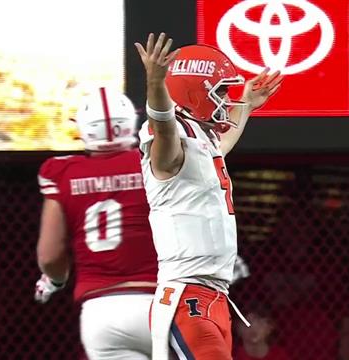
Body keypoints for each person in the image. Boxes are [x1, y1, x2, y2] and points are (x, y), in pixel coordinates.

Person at [134, 33, 283, 360]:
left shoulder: (201, 140)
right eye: (219, 92)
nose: (224, 100)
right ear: (192, 93)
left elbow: (220, 146)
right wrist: (156, 86)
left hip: (214, 296)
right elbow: (163, 127)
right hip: (187, 297)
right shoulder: (167, 146)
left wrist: (246, 104)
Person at [34, 88, 158, 359]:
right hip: (162, 301)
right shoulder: (153, 162)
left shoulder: (62, 172)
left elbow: (50, 256)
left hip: (101, 311)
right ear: (131, 122)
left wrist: (54, 281)